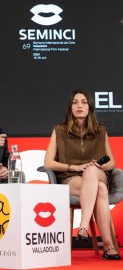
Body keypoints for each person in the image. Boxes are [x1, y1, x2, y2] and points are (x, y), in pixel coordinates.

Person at [44, 90, 121, 260]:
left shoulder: (101, 130)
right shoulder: (59, 130)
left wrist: (97, 164)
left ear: (90, 107)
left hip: (98, 173)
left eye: (84, 102)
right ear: (70, 108)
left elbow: (112, 163)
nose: (80, 106)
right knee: (100, 189)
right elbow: (48, 162)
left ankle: (83, 225)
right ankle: (108, 247)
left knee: (92, 172)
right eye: (75, 102)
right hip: (70, 178)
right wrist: (75, 167)